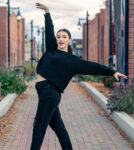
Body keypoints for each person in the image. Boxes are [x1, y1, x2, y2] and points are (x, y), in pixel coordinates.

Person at [30, 2, 128, 150]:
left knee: (39, 126)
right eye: (59, 37)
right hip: (44, 92)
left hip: (50, 93)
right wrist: (47, 12)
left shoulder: (73, 61)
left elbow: (92, 67)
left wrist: (112, 71)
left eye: (64, 37)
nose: (60, 39)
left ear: (69, 39)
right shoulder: (51, 49)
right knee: (58, 126)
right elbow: (49, 31)